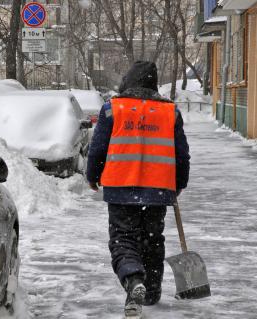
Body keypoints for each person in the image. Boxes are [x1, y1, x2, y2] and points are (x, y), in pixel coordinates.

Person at [87, 61, 190, 317]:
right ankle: (152, 290)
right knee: (153, 239)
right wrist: (178, 184)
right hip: (157, 190)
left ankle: (134, 280)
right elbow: (182, 155)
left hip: (121, 188)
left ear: (129, 81)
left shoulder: (113, 109)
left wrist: (92, 175)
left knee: (124, 238)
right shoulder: (170, 112)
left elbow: (98, 148)